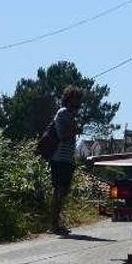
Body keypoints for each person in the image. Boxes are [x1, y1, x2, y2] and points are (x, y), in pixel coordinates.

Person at [49, 86, 84, 235]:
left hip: (67, 159)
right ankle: (54, 224)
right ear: (68, 100)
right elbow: (62, 134)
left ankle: (56, 222)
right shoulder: (63, 113)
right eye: (75, 102)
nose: (77, 106)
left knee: (62, 191)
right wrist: (75, 130)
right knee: (60, 190)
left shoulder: (70, 115)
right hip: (60, 158)